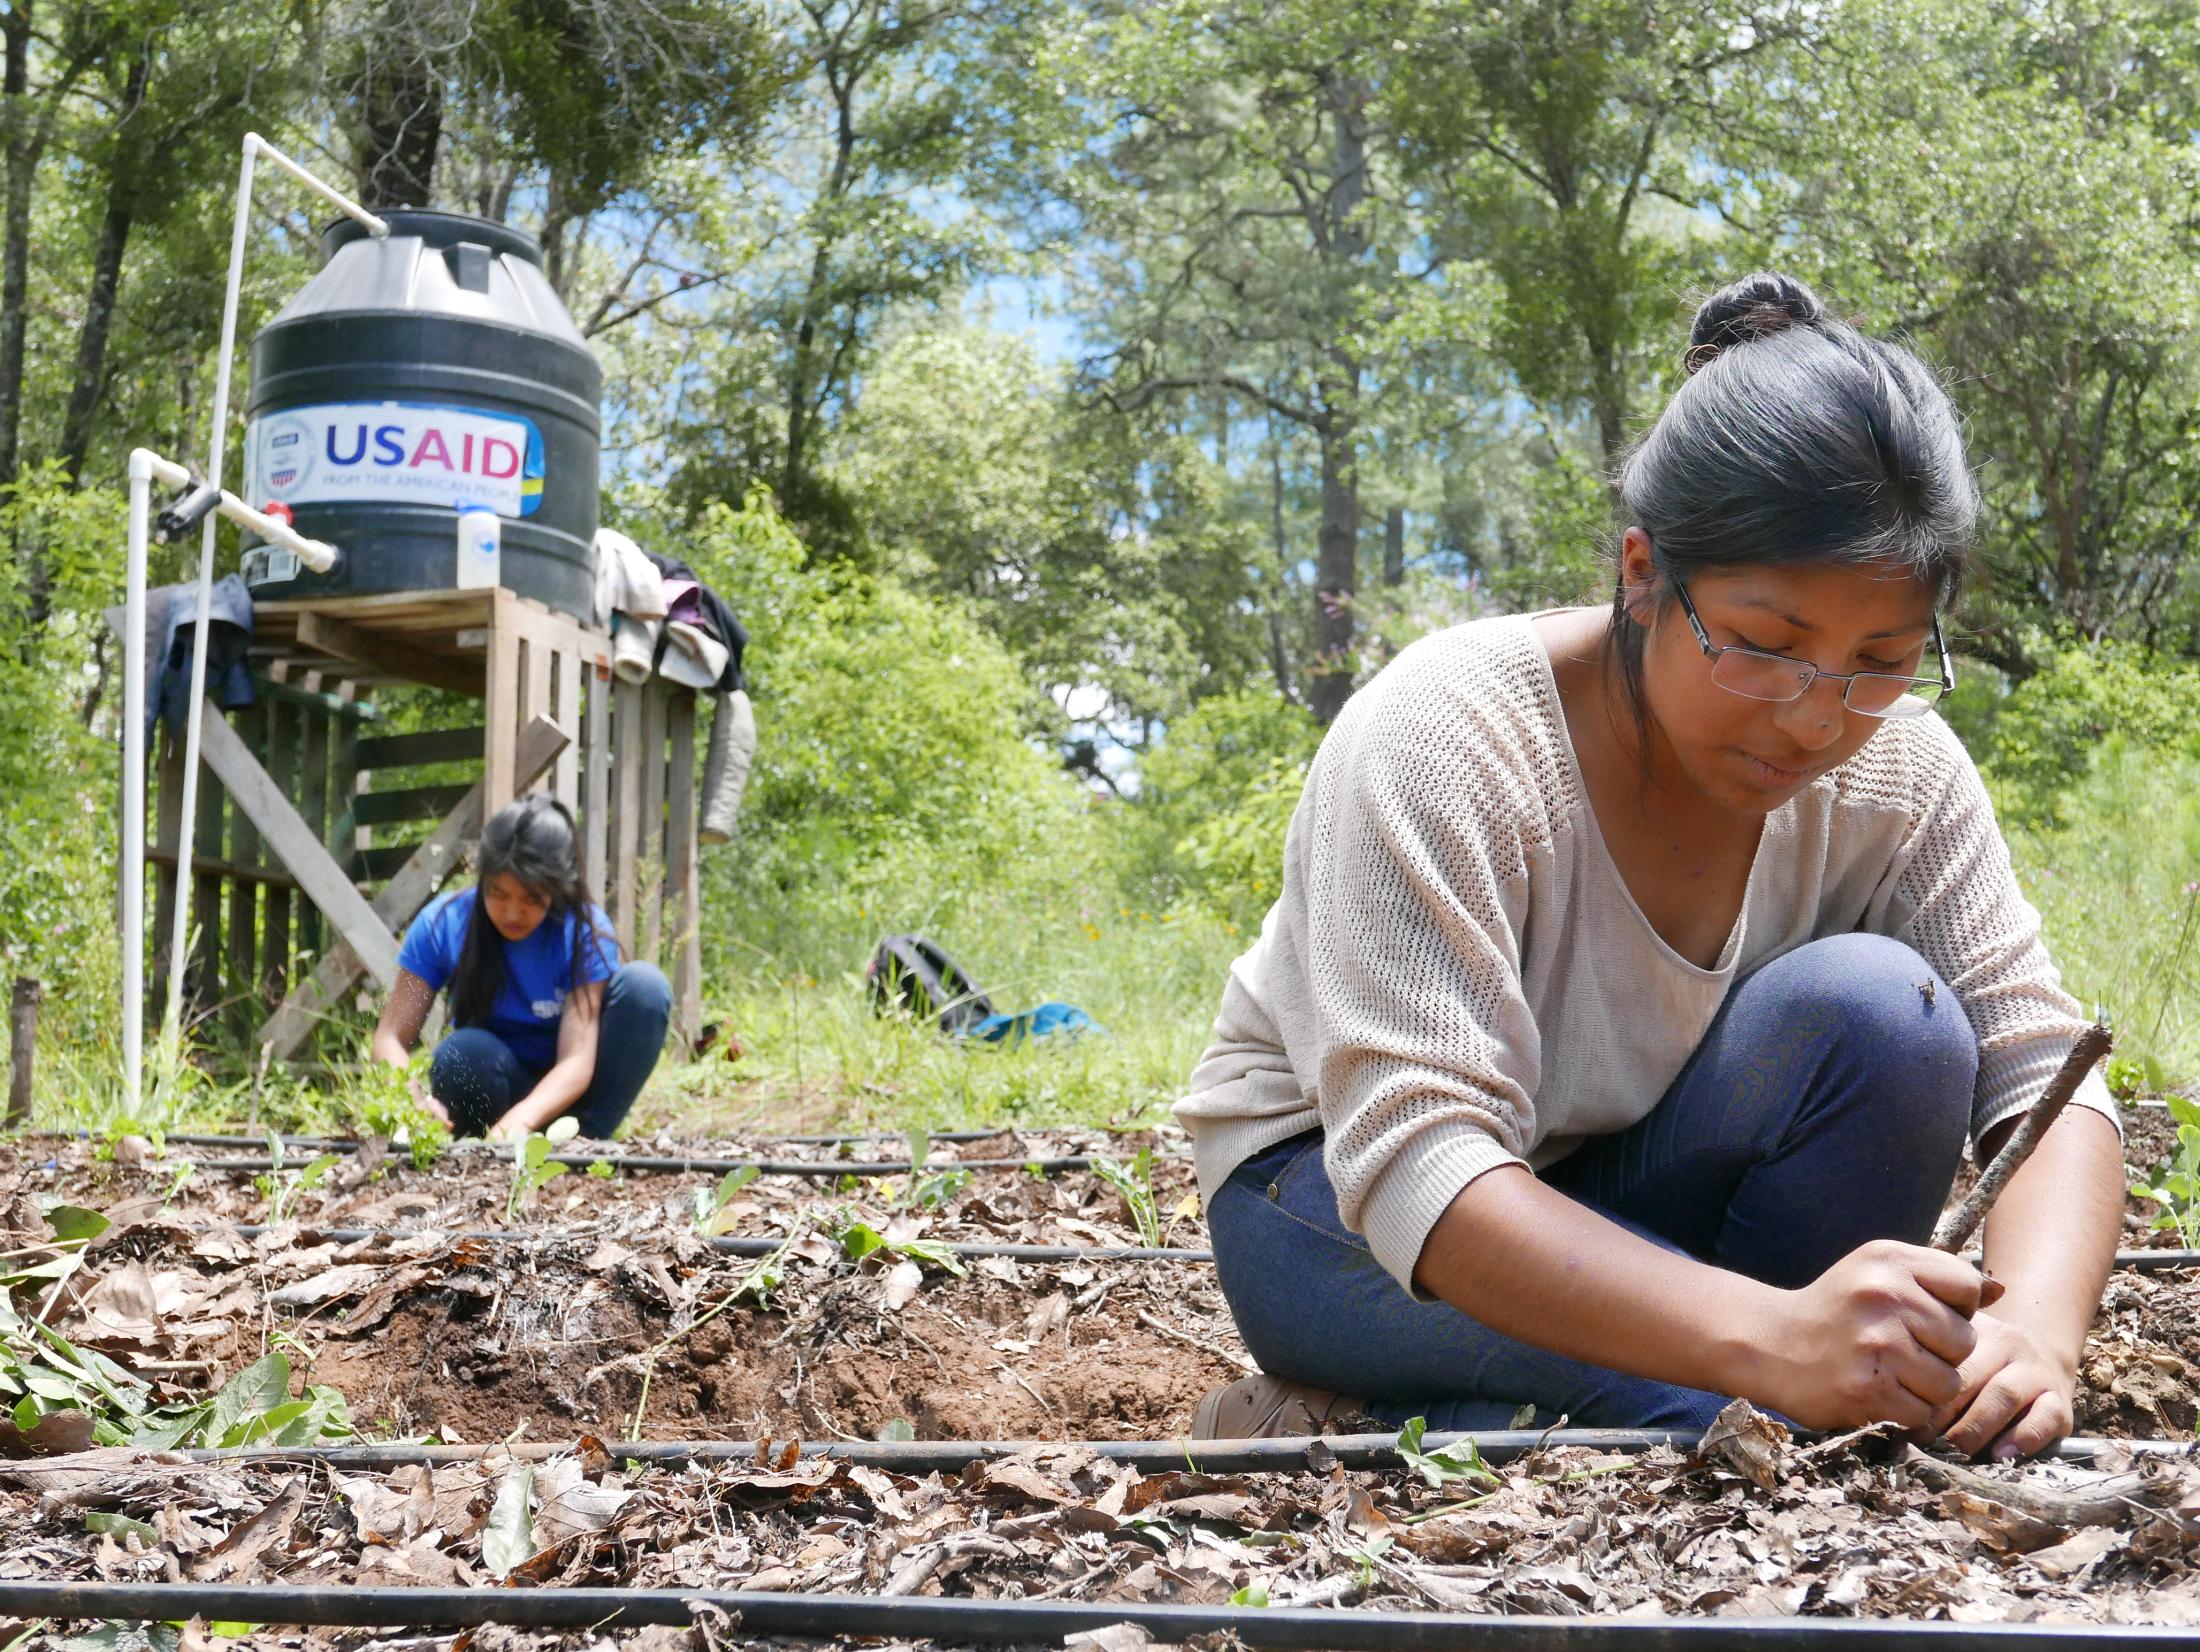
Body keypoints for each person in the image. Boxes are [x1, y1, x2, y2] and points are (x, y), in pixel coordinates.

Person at [1178, 273, 2125, 1461]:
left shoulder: (1900, 772)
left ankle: (1719, 1372)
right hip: (1343, 1211)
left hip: (1622, 1192)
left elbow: (2040, 1071)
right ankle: (1343, 1416)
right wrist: (1773, 1338)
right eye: (1766, 646)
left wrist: (2035, 1333)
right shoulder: (1449, 734)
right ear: (1642, 573)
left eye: (1877, 659)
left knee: (1891, 1018)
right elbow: (1424, 1162)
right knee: (1763, 1424)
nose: (1814, 717)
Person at [371, 794, 672, 1140]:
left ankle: (586, 1145)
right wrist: (413, 1102)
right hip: (491, 1092)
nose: (513, 913)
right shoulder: (440, 925)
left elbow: (576, 1060)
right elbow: (390, 1036)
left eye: (531, 899)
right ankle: (477, 1148)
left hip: (570, 1107)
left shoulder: (583, 930)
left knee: (645, 987)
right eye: (498, 894)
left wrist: (525, 1121)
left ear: (559, 888)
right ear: (480, 877)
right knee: (462, 1054)